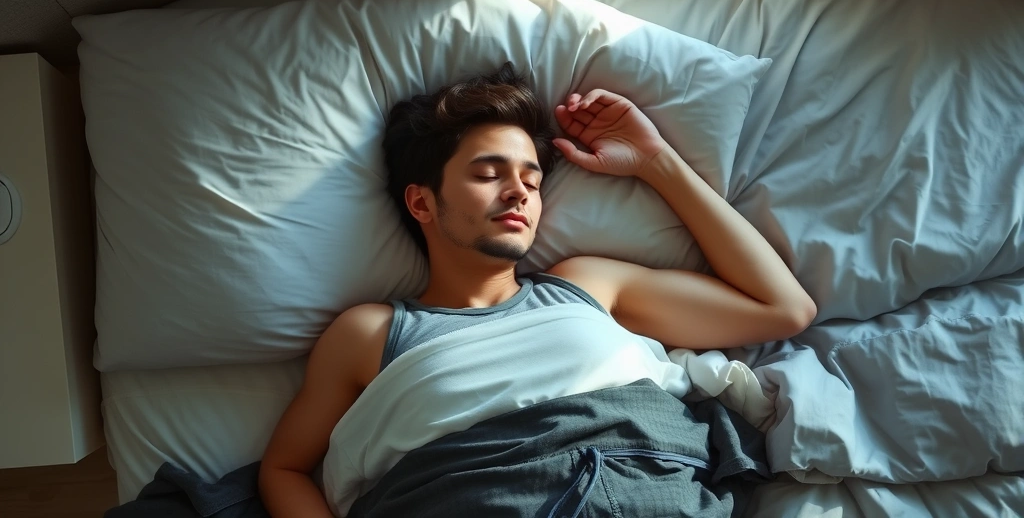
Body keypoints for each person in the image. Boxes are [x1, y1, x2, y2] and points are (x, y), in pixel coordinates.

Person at [258, 62, 816, 517]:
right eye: (488, 174)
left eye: (531, 179)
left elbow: (784, 308)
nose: (519, 192)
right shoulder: (372, 332)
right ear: (422, 202)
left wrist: (655, 163)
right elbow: (283, 470)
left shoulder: (586, 285)